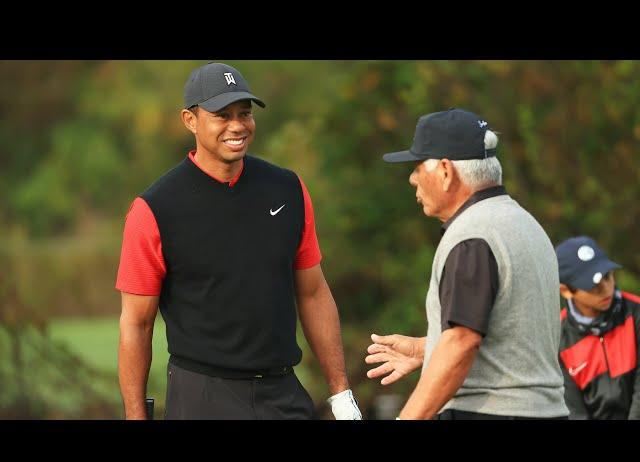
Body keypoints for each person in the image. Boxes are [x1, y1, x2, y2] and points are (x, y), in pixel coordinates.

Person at [116, 62, 361, 420]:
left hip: (282, 394)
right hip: (202, 396)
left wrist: (341, 396)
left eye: (244, 114)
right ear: (190, 120)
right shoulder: (154, 209)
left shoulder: (288, 189)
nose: (237, 126)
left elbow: (313, 293)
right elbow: (136, 324)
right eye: (222, 115)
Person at [365, 108, 569, 419]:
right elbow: (509, 334)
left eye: (418, 166)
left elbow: (462, 342)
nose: (412, 179)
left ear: (445, 172)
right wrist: (428, 349)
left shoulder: (472, 236)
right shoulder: (523, 223)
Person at [555, 236, 640, 419]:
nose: (606, 288)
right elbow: (575, 412)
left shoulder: (636, 313)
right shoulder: (557, 339)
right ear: (566, 290)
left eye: (607, 276)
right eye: (593, 285)